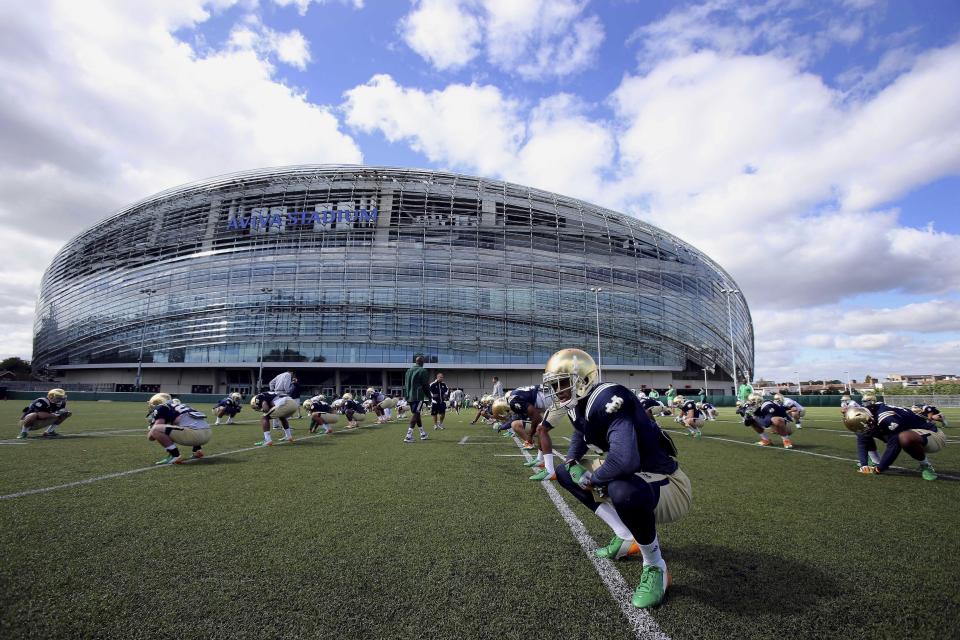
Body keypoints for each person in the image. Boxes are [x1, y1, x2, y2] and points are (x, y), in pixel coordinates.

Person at [543, 348, 691, 609]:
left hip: (667, 482)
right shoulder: (578, 405)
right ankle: (624, 536)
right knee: (565, 472)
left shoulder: (609, 398)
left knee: (621, 489)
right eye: (555, 385)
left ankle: (655, 566)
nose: (558, 391)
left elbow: (625, 460)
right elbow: (581, 433)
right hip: (638, 475)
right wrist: (571, 462)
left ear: (583, 379)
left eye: (563, 383)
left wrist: (593, 478)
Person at [844, 397, 945, 481]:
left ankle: (925, 465)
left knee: (904, 438)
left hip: (932, 435)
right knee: (865, 433)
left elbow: (894, 445)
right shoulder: (868, 413)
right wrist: (863, 464)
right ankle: (875, 461)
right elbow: (862, 440)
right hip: (908, 432)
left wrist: (880, 468)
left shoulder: (886, 418)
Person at [146, 393, 211, 464]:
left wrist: (151, 429)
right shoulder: (184, 406)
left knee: (156, 429)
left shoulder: (161, 407)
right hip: (208, 433)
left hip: (194, 435)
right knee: (188, 424)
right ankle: (197, 450)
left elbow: (152, 436)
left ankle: (175, 456)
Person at [403, 356, 431, 443]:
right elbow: (425, 385)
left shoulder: (408, 371)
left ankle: (422, 433)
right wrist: (429, 396)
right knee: (416, 414)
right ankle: (408, 436)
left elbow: (406, 384)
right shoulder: (423, 370)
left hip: (410, 396)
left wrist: (406, 396)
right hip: (418, 396)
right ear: (423, 362)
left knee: (417, 413)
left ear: (416, 362)